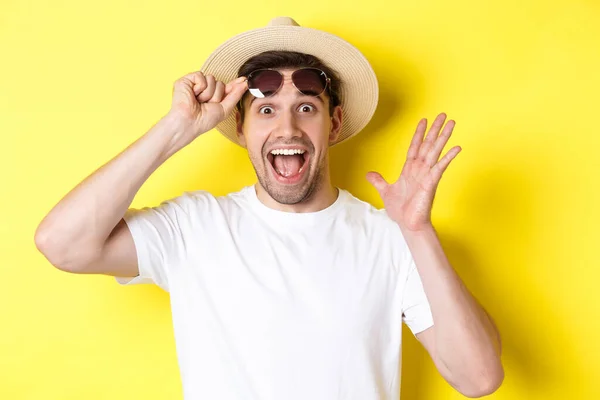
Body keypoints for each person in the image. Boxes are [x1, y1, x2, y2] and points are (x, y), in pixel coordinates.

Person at [35, 16, 503, 400]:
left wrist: (418, 232)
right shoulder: (195, 227)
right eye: (265, 110)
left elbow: (479, 379)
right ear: (239, 128)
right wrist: (178, 127)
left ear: (334, 124)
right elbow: (61, 243)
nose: (287, 129)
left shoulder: (391, 238)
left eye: (306, 108)